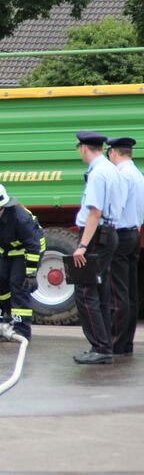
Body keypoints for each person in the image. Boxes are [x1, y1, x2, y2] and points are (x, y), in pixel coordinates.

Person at [72, 131, 123, 365]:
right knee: (100, 291)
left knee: (84, 290)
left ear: (84, 148)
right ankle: (105, 345)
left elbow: (94, 211)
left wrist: (82, 245)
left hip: (95, 236)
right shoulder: (111, 169)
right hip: (108, 233)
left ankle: (100, 347)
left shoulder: (98, 173)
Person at [0, 183, 45, 340]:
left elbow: (33, 246)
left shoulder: (20, 217)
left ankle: (22, 330)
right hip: (5, 249)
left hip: (26, 251)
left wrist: (31, 274)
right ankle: (11, 313)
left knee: (18, 284)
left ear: (0, 206)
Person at [106, 136, 144, 356]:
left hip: (120, 235)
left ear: (113, 152)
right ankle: (126, 342)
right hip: (134, 233)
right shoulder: (137, 174)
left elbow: (115, 207)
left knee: (117, 292)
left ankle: (115, 342)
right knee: (130, 292)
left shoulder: (120, 175)